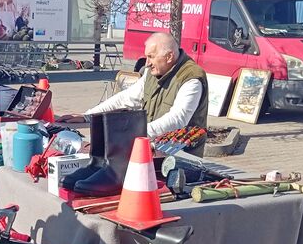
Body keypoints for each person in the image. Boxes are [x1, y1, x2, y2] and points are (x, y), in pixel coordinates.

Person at [58, 32, 208, 155]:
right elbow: (127, 98)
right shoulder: (153, 71)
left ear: (169, 57)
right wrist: (89, 115)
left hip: (182, 157)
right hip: (153, 149)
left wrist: (135, 134)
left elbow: (178, 119)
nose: (147, 63)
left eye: (151, 56)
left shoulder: (191, 78)